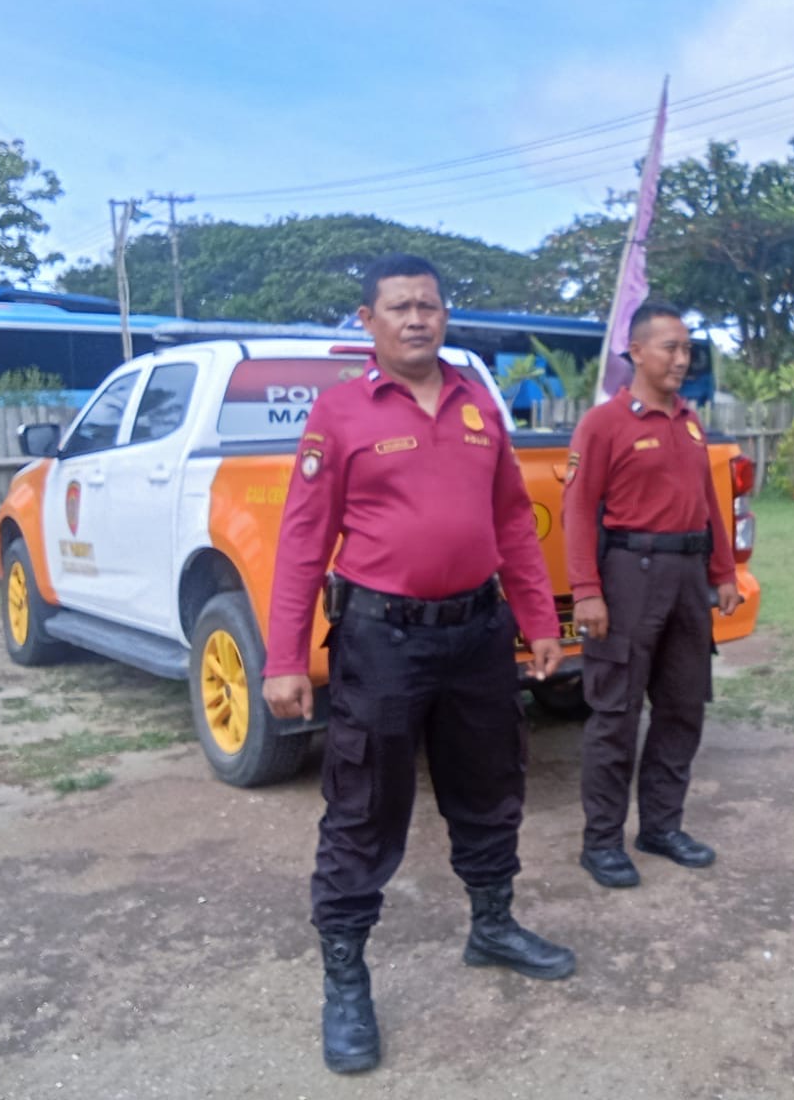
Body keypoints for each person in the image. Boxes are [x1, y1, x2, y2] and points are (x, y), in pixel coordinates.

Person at [261, 253, 573, 1075]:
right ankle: (345, 980)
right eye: (398, 307)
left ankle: (492, 925)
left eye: (428, 306)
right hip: (381, 643)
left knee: (491, 785)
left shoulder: (478, 405)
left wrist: (538, 619)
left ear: (444, 316)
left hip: (478, 636)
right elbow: (303, 540)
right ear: (368, 321)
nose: (415, 319)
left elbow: (513, 521)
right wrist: (284, 657)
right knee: (364, 806)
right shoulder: (340, 412)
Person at [562, 301, 741, 889]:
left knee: (683, 707)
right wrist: (586, 591)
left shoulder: (689, 421)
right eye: (671, 348)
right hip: (629, 575)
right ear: (636, 352)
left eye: (687, 349)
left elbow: (707, 502)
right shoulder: (604, 423)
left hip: (687, 578)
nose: (681, 359)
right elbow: (578, 510)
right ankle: (602, 842)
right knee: (616, 714)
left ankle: (662, 827)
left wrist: (722, 572)